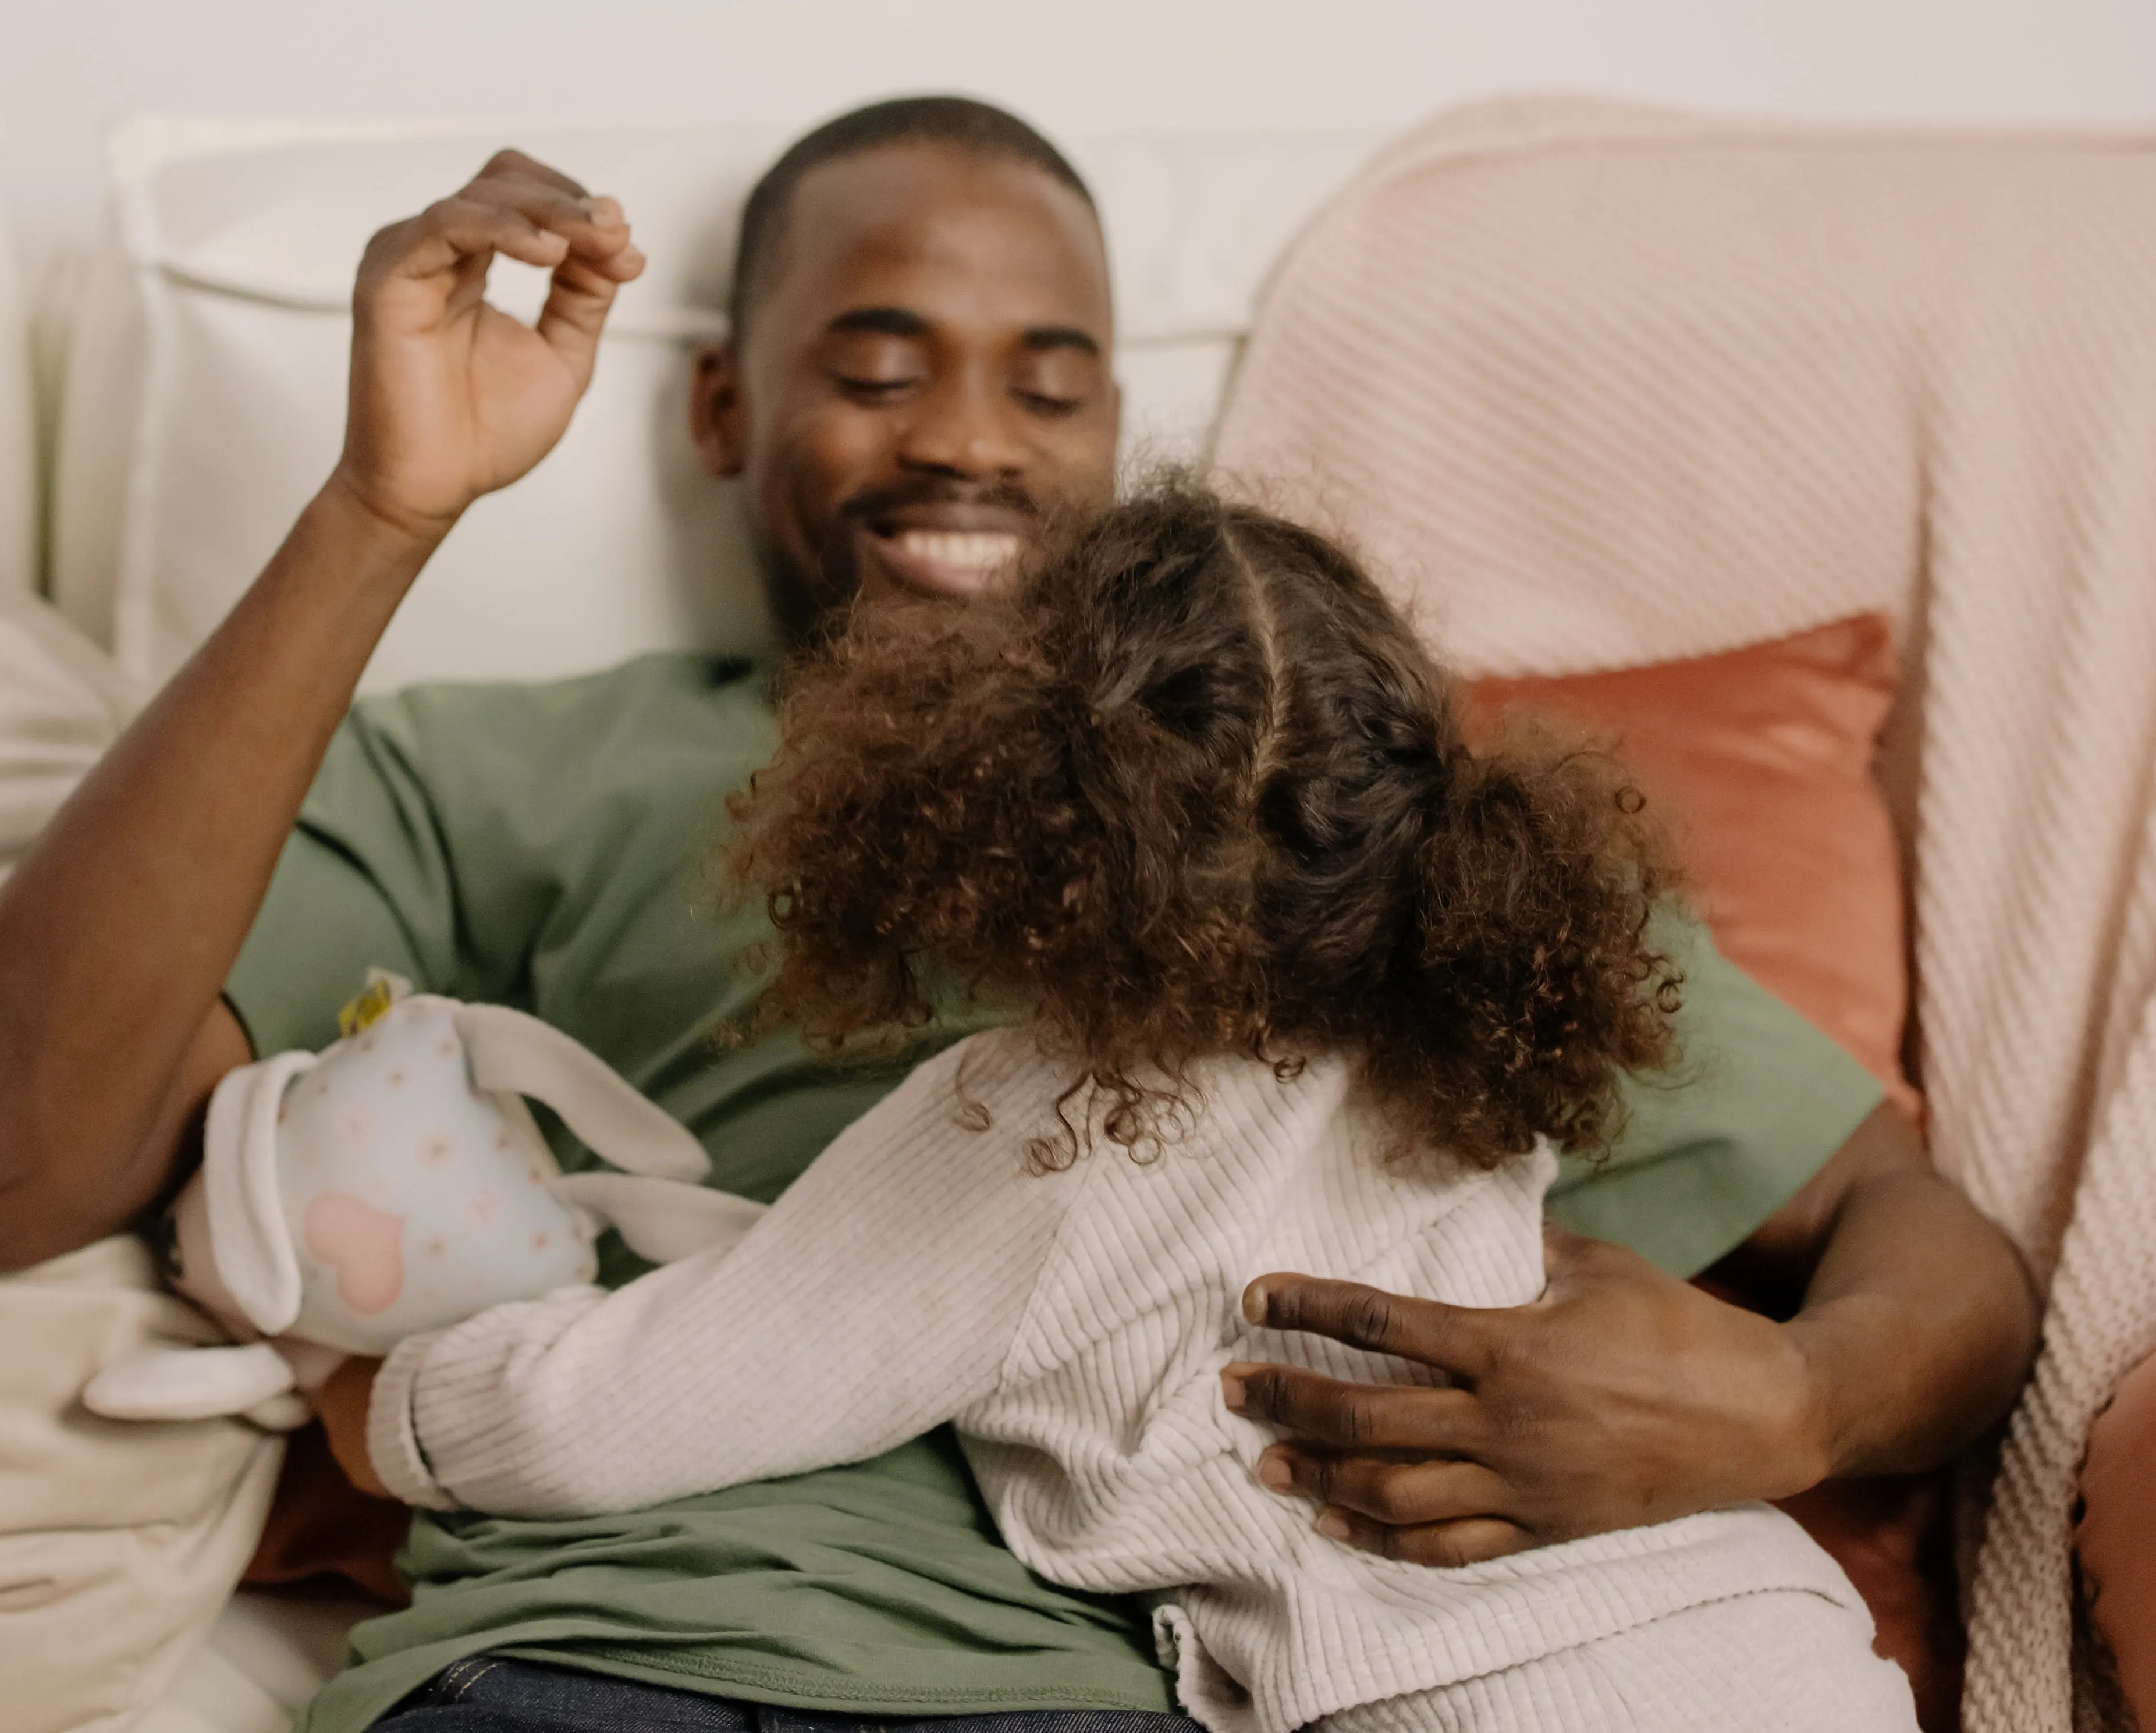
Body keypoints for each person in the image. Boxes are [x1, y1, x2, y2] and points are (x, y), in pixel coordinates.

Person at [0, 97, 2036, 1733]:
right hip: (621, 1655)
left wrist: (1791, 1408)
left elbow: (1922, 1237)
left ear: (1131, 436)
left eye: (1050, 376)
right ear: (724, 405)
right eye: (880, 363)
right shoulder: (525, 768)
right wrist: (381, 512)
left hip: (1114, 1693)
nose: (970, 443)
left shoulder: (1345, 836)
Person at [340, 482, 1919, 1732]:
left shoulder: (1036, 1133)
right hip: (1780, 1647)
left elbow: (626, 1406)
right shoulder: (1471, 1044)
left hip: (1482, 1705)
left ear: (992, 800)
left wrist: (386, 1407)